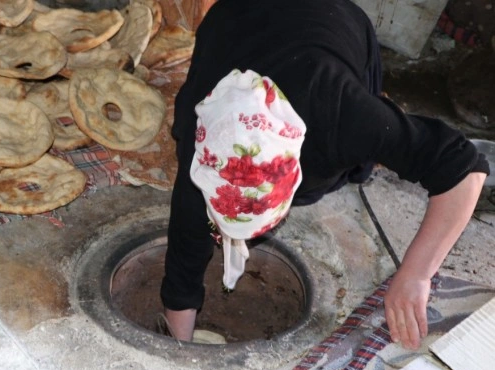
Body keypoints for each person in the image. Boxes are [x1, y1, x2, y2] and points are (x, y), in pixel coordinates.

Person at [161, 0, 490, 350]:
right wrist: (180, 350)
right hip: (232, 15)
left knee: (354, 167)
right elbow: (182, 271)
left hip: (331, 15)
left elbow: (465, 169)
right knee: (196, 221)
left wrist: (416, 275)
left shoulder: (345, 115)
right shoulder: (199, 139)